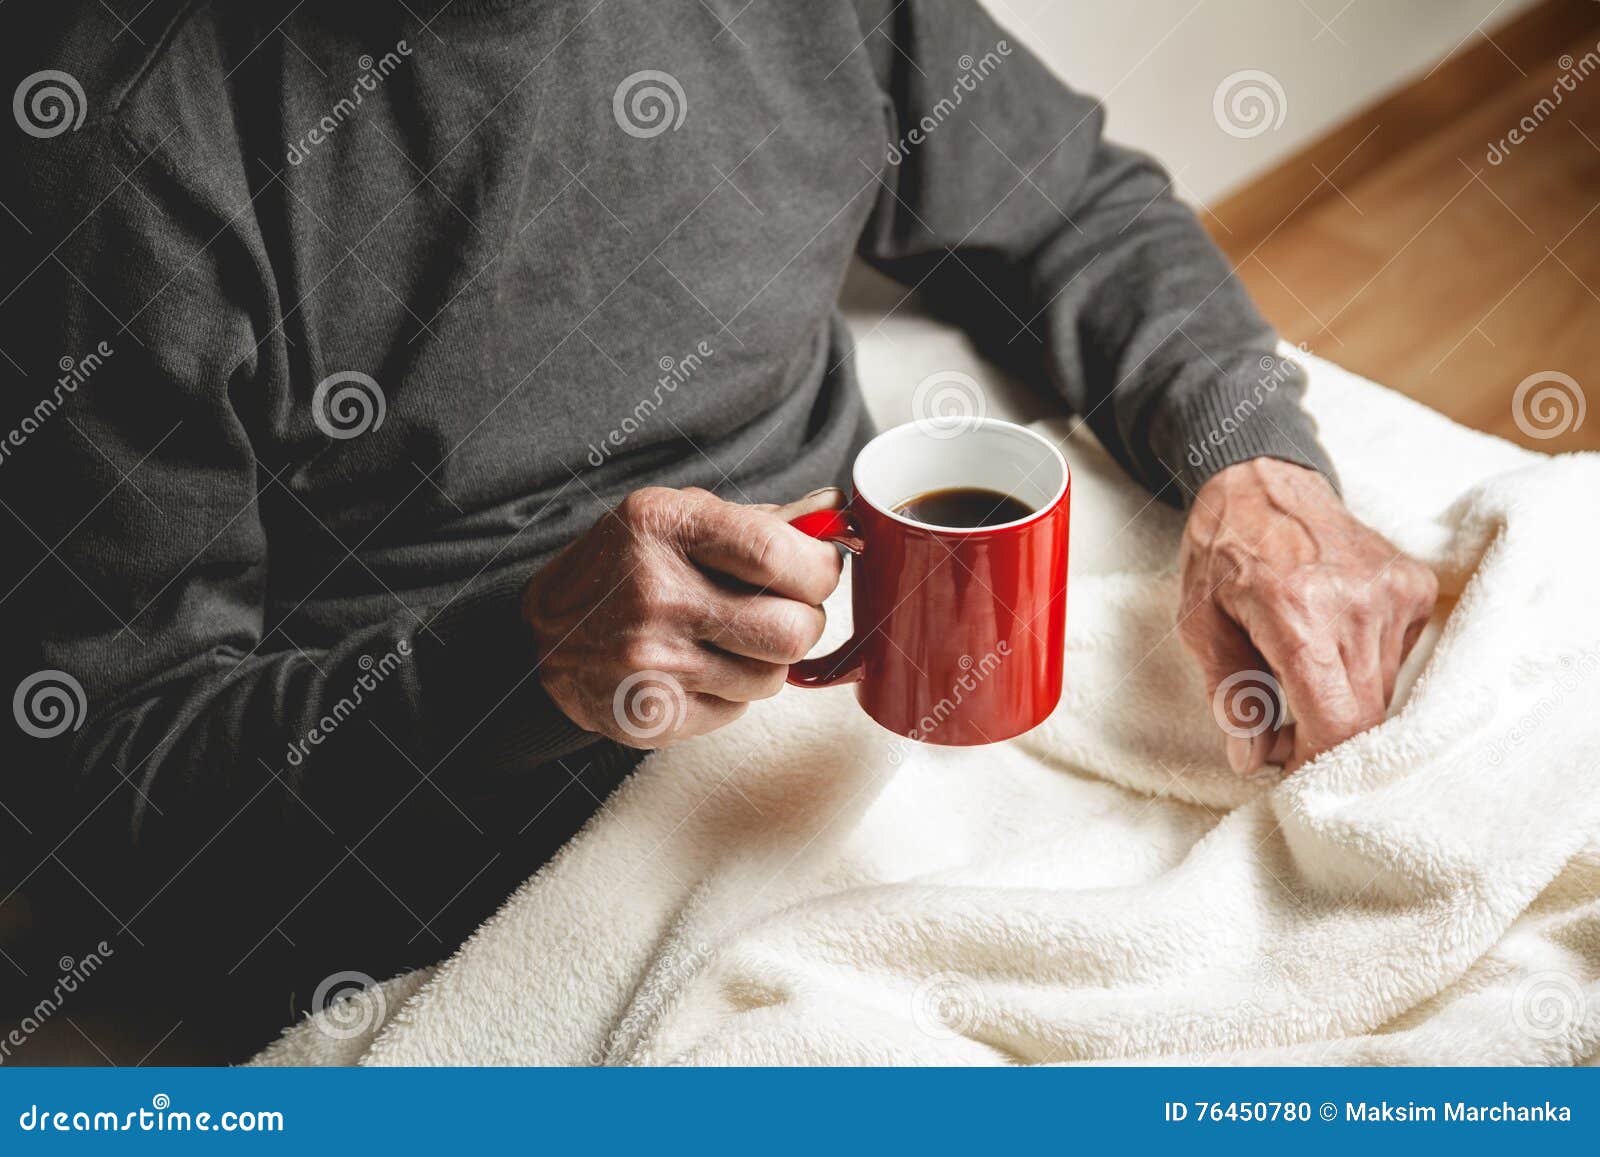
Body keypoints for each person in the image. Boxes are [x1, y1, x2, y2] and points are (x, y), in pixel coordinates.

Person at [0, 0, 1434, 1043]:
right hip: (485, 878)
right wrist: (521, 663)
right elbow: (98, 797)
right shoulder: (126, 140)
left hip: (887, 728)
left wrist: (1259, 471)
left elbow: (1075, 214)